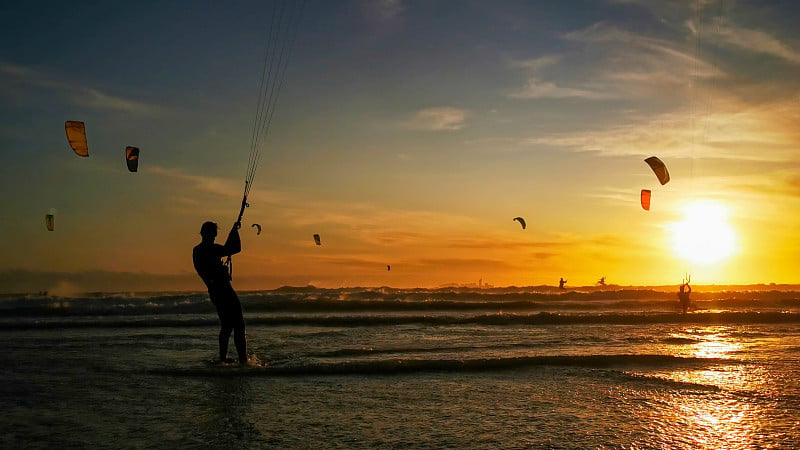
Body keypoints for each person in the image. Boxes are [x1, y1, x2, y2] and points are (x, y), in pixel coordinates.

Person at [193, 221, 248, 365]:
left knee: (227, 325)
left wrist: (232, 232)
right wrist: (234, 231)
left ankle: (223, 359)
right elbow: (235, 248)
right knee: (239, 325)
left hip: (215, 292)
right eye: (213, 233)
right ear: (211, 234)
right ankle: (243, 361)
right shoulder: (209, 249)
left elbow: (228, 249)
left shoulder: (197, 250)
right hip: (223, 290)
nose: (213, 236)